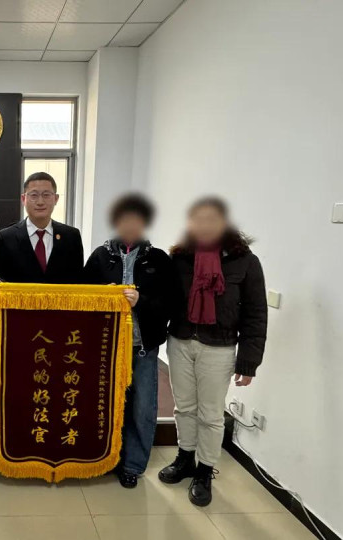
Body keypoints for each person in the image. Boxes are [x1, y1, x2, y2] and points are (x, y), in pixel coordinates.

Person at [158, 196, 267, 507]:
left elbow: (256, 314)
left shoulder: (245, 261)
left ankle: (204, 471)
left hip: (219, 347)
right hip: (180, 342)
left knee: (210, 413)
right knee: (184, 408)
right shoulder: (180, 258)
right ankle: (185, 459)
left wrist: (248, 361)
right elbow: (166, 300)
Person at [83, 193, 179, 488]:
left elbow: (172, 303)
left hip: (142, 347)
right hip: (105, 347)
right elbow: (81, 296)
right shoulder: (100, 257)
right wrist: (104, 294)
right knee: (105, 404)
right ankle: (105, 457)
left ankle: (132, 465)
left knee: (141, 407)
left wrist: (141, 300)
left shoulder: (159, 259)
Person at [0, 172, 83, 293]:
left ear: (56, 199)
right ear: (23, 199)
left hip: (61, 305)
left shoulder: (71, 236)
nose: (40, 202)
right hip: (20, 304)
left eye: (46, 195)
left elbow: (79, 280)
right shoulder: (6, 237)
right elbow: (0, 277)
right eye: (34, 195)